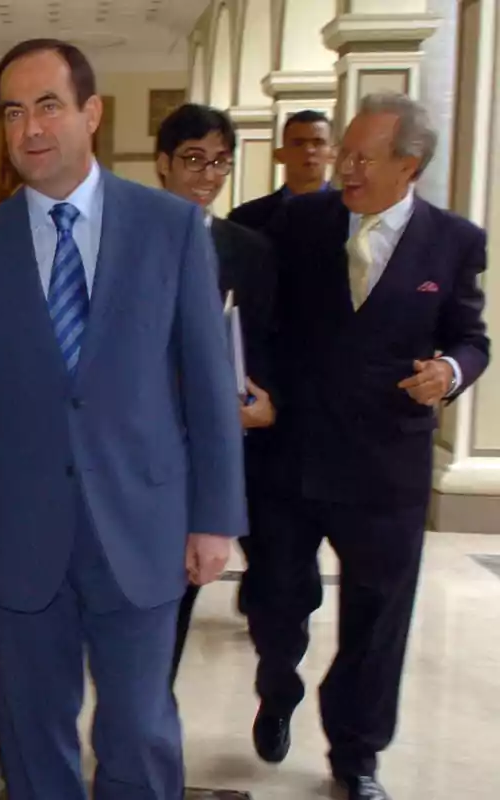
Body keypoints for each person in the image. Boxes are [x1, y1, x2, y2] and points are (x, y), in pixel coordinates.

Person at [0, 39, 245, 800]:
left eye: (48, 106)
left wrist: (215, 517)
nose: (31, 128)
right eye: (13, 112)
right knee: (32, 731)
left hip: (143, 523)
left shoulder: (170, 230)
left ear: (90, 113)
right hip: (23, 529)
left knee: (138, 728)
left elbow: (207, 384)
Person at [248, 93, 489, 800]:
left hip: (387, 465)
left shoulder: (454, 242)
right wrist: (255, 386)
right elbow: (263, 322)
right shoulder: (301, 223)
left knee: (377, 619)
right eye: (345, 151)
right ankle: (277, 683)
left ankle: (357, 755)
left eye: (363, 156)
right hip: (293, 455)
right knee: (273, 599)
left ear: (408, 165)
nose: (344, 166)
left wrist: (450, 373)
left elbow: (471, 338)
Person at [152, 103, 278, 686]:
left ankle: (151, 713)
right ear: (163, 164)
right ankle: (146, 710)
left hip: (219, 444)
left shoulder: (248, 250)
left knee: (188, 583)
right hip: (146, 446)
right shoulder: (130, 239)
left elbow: (266, 342)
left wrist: (263, 403)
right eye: (194, 160)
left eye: (220, 163)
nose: (207, 176)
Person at [228, 109, 335, 231]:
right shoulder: (246, 218)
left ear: (333, 154)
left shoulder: (350, 214)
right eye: (298, 143)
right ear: (280, 154)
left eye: (318, 143)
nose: (309, 150)